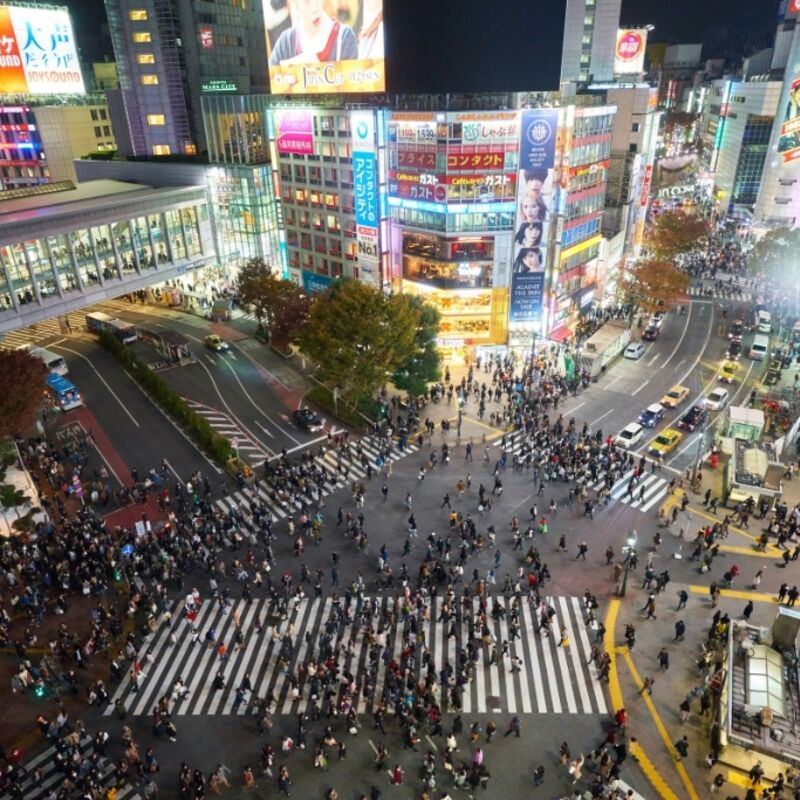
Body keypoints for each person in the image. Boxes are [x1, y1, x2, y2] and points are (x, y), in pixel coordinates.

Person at [269, 0, 358, 66]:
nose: (314, 8)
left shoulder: (344, 38)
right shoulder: (286, 42)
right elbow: (266, 84)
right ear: (295, 3)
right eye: (306, 1)